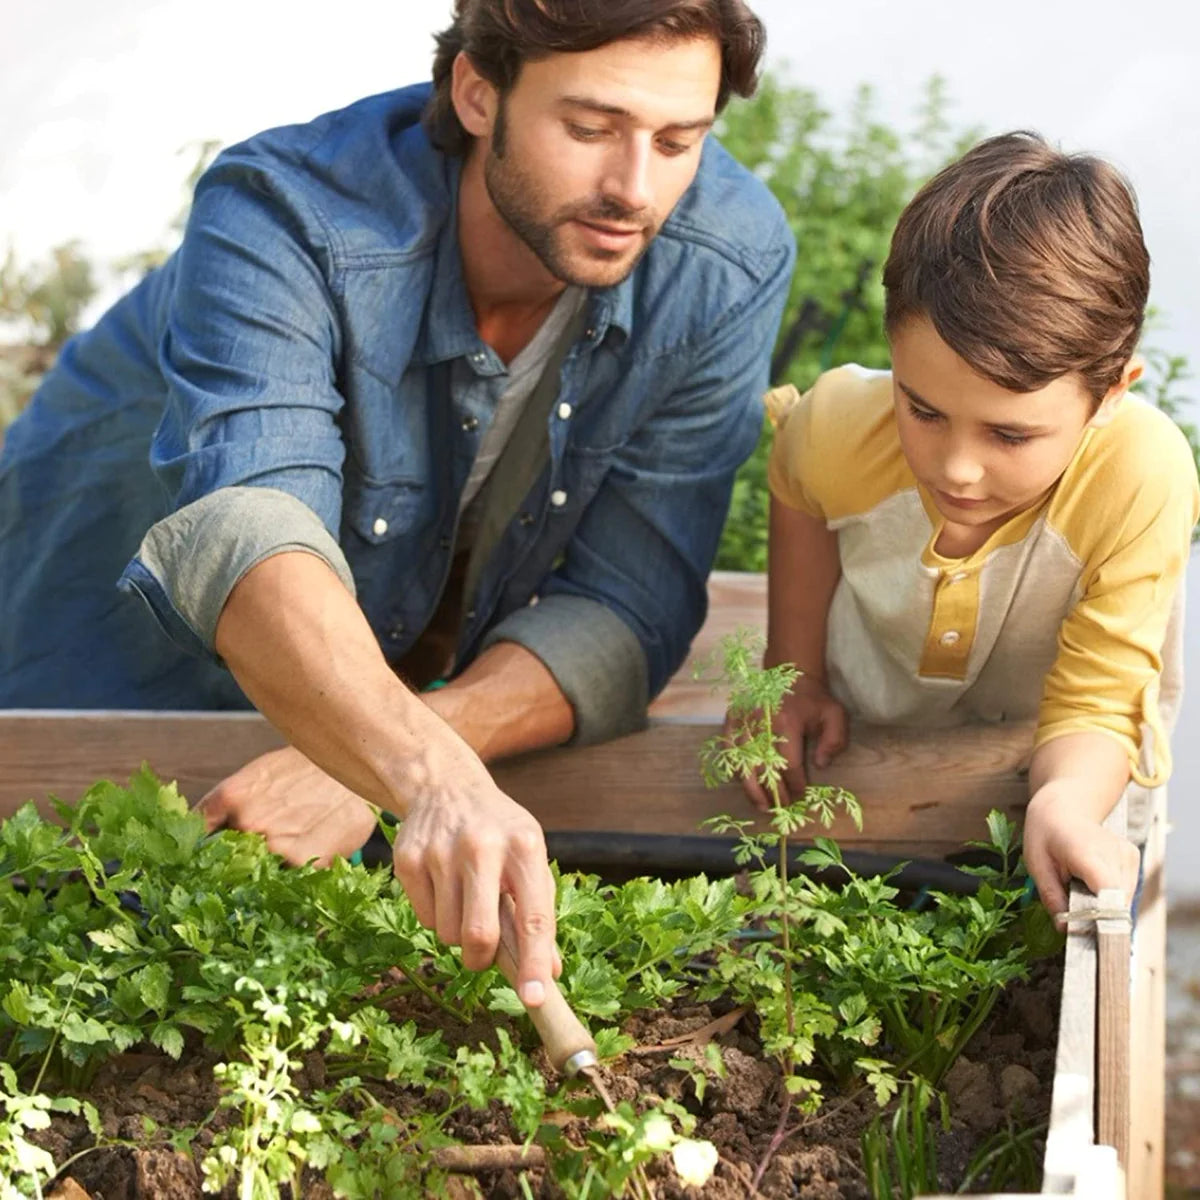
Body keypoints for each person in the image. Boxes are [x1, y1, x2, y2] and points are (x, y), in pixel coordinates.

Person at [0, 0, 794, 1006]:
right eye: (590, 129)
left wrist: (398, 751)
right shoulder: (285, 212)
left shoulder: (724, 256)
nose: (635, 189)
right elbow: (250, 527)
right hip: (110, 610)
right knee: (72, 918)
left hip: (384, 673)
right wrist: (421, 774)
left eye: (679, 140)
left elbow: (632, 601)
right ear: (476, 91)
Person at [750, 132, 1199, 918]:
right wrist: (795, 672)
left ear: (1110, 393)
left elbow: (1097, 703)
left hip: (1057, 748)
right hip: (868, 724)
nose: (957, 467)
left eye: (1010, 435)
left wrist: (1061, 803)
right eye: (922, 409)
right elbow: (796, 481)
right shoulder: (837, 429)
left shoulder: (1140, 475)